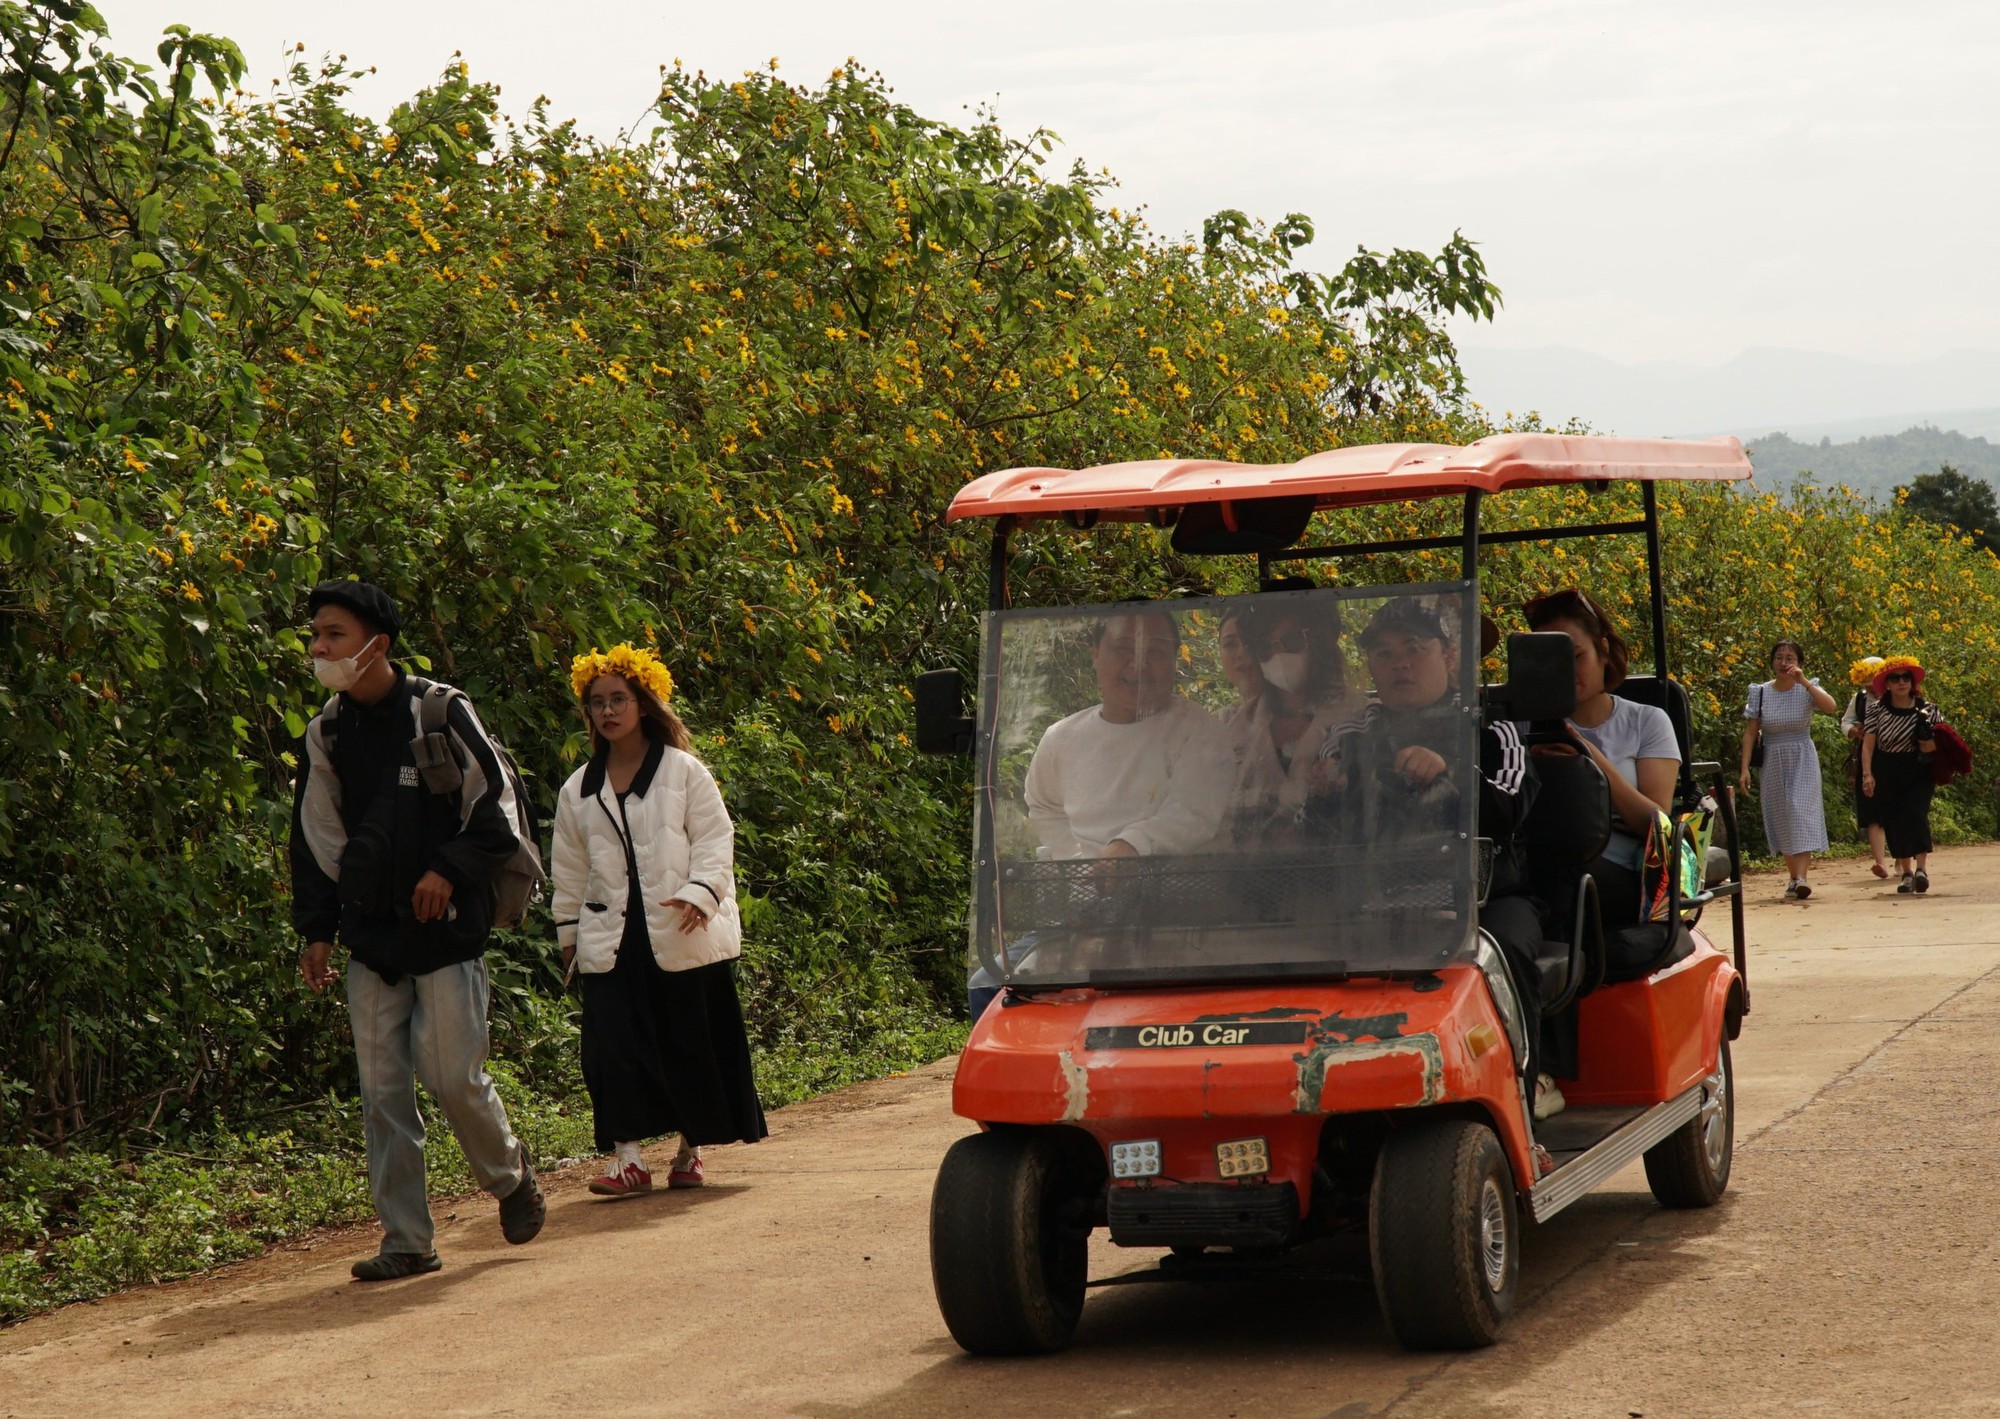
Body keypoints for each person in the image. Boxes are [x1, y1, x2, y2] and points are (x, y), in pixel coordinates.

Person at [291, 579, 545, 1281]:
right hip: (372, 936)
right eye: (315, 634)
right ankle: (406, 1238)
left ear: (379, 643)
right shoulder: (329, 731)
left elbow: (496, 810)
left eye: (334, 635)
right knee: (382, 1093)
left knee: (451, 1075)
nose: (320, 648)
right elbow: (313, 835)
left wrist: (448, 870)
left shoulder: (440, 710)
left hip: (446, 929)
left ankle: (511, 1176)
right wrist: (316, 927)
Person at [551, 644, 768, 1196]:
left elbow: (716, 839)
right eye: (597, 702)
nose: (608, 711)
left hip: (680, 930)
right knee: (612, 1049)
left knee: (687, 1042)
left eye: (618, 699)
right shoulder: (577, 789)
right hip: (611, 938)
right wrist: (568, 934)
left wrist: (701, 892)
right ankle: (628, 1159)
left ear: (642, 704)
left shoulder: (684, 771)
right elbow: (570, 869)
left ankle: (689, 1151)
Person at [1342, 598, 1559, 1116]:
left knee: (1503, 948)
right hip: (1377, 896)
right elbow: (1319, 825)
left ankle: (1523, 1100)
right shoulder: (1351, 736)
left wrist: (1450, 774)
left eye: (1414, 649)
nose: (1400, 663)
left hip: (1487, 894)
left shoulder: (1493, 729)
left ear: (1449, 656)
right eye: (1385, 652)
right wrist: (1321, 790)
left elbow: (1508, 810)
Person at [1523, 589, 1680, 933]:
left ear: (1603, 651)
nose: (1564, 671)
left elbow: (1658, 826)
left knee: (1563, 879)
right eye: (1550, 660)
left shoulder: (1646, 722)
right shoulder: (1516, 726)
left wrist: (1588, 756)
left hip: (1620, 872)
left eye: (1575, 657)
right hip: (1534, 863)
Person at [1023, 607, 1232, 862]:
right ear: (1096, 655)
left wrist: (1130, 846)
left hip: (1180, 893)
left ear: (1173, 660)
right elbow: (1045, 808)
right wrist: (1077, 865)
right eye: (1124, 648)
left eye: (1154, 651)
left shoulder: (1199, 730)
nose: (1139, 663)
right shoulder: (1060, 739)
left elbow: (1194, 813)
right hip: (1084, 896)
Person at [1224, 596, 1365, 846]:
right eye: (1266, 648)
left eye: (1291, 641)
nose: (1278, 656)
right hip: (1246, 876)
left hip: (1333, 875)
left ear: (1319, 642)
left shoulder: (1362, 718)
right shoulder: (1230, 725)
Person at [1739, 639, 1838, 899]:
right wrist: (1744, 768)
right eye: (1779, 657)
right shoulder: (1760, 692)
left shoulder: (1807, 688)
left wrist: (1804, 682)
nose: (1784, 663)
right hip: (1772, 757)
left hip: (1802, 755)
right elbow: (1750, 734)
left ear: (1799, 663)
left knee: (1799, 810)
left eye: (1790, 658)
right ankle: (1794, 878)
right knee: (1781, 814)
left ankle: (1802, 877)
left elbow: (1831, 707)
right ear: (1772, 662)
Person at [1861, 656, 1941, 894]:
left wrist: (1932, 746)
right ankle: (1906, 872)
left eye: (1906, 677)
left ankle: (1921, 869)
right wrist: (1867, 774)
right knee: (1894, 819)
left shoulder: (1928, 709)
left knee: (1915, 813)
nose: (1901, 682)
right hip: (1887, 767)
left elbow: (1944, 740)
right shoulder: (1876, 710)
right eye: (1895, 678)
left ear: (1913, 681)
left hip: (1918, 768)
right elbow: (1868, 745)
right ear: (1887, 683)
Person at [1841, 656, 1890, 877]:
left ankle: (1902, 861)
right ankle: (1881, 862)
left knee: (1897, 810)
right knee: (1872, 811)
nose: (1872, 689)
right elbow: (1845, 721)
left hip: (1895, 757)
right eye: (1868, 685)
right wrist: (1854, 731)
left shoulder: (1899, 692)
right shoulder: (1860, 698)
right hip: (1867, 757)